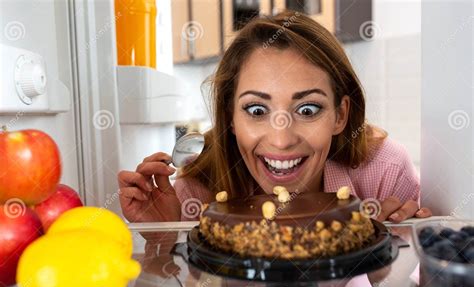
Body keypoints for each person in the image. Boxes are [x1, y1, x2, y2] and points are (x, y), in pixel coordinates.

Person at [118, 11, 432, 225]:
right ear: (230, 116)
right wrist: (165, 238)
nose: (281, 140)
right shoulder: (197, 191)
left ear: (340, 115)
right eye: (257, 111)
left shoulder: (385, 174)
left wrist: (388, 248)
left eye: (308, 110)